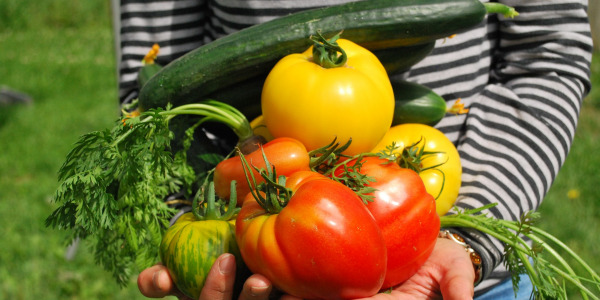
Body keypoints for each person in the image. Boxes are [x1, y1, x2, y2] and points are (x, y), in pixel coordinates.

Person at [116, 0, 593, 299]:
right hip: (258, 268)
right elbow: (155, 95)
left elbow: (548, 58)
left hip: (464, 282)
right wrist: (190, 226)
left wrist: (468, 241)